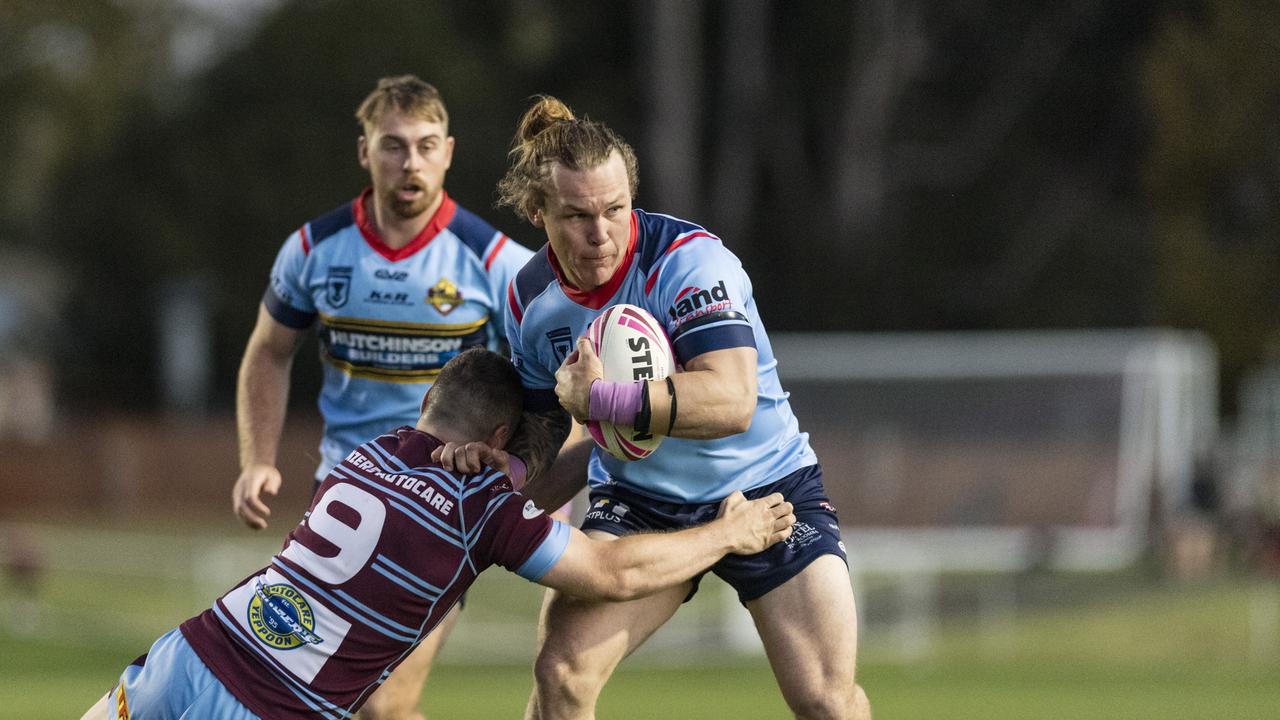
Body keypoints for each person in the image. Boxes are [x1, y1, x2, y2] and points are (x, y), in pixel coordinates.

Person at [438, 96, 872, 719]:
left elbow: (731, 400)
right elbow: (543, 435)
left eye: (616, 209)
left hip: (767, 488)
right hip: (640, 502)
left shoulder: (688, 263)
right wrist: (498, 478)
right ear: (539, 212)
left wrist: (601, 398)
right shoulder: (530, 299)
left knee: (825, 700)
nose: (601, 233)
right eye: (577, 215)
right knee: (561, 675)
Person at [82, 348, 795, 720]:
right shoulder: (481, 507)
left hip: (186, 655)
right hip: (271, 708)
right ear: (494, 437)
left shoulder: (368, 453)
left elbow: (434, 491)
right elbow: (612, 575)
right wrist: (732, 530)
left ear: (429, 401)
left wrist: (519, 460)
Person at [230, 75, 533, 718]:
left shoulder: (494, 259)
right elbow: (267, 352)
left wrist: (529, 468)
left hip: (444, 500)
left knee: (381, 703)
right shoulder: (314, 250)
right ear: (364, 151)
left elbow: (547, 370)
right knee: (328, 696)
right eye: (393, 146)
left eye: (426, 146)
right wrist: (258, 457)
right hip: (345, 493)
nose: (411, 163)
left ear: (449, 152)